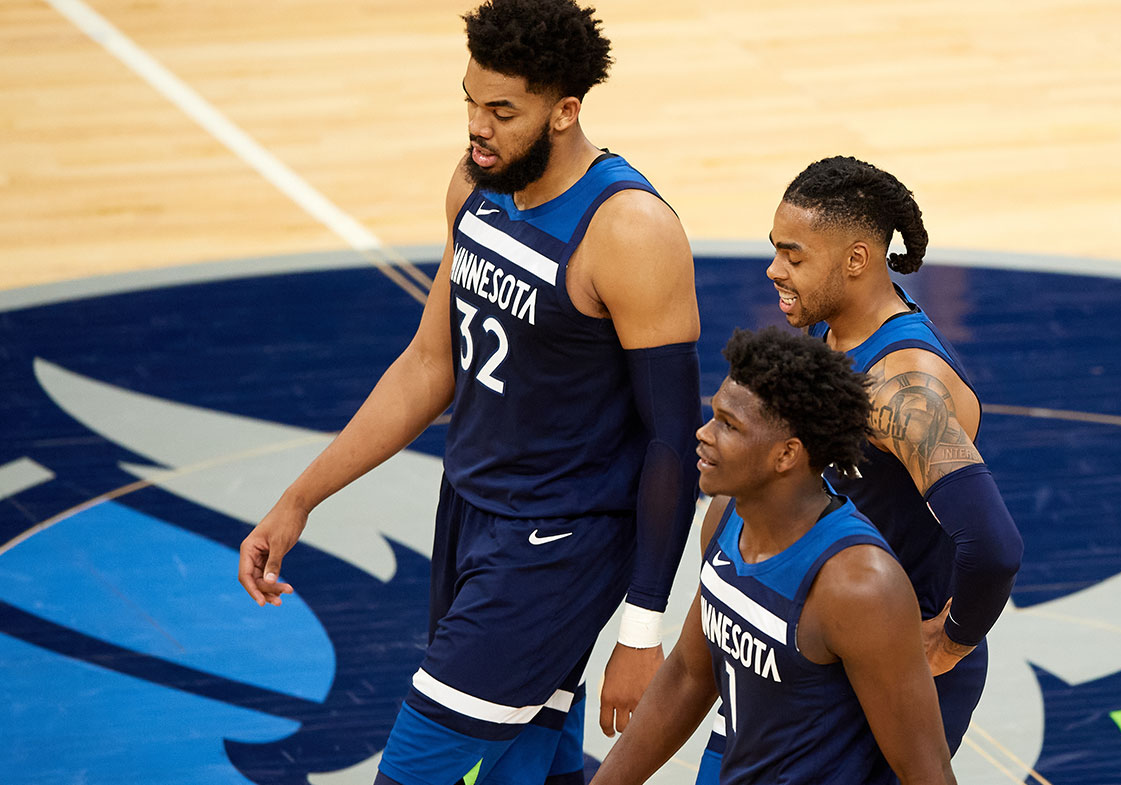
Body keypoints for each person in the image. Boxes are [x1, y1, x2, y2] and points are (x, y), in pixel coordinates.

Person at [235, 2, 702, 783]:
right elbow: (428, 365)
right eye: (470, 101)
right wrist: (299, 498)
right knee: (526, 766)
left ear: (565, 112)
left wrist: (642, 626)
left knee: (414, 770)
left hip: (557, 545)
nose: (477, 127)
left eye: (502, 110)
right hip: (470, 516)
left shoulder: (627, 231)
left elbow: (671, 440)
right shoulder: (475, 187)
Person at [696, 156, 1023, 780]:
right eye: (775, 251)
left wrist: (951, 639)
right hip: (809, 637)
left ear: (855, 260)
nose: (774, 271)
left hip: (884, 662)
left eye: (794, 257)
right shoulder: (836, 338)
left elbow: (994, 545)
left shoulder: (904, 388)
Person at [591, 327, 959, 785]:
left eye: (729, 425)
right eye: (713, 416)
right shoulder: (725, 518)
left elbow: (925, 770)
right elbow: (689, 674)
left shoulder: (858, 585)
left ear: (786, 454)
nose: (704, 435)